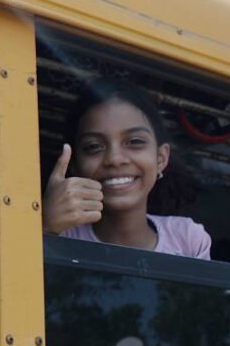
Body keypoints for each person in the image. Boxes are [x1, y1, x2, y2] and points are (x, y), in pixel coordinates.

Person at [42, 79, 211, 260]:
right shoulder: (60, 234)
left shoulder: (187, 240)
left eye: (134, 142)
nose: (115, 159)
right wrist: (45, 228)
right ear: (74, 165)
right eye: (93, 146)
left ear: (161, 158)